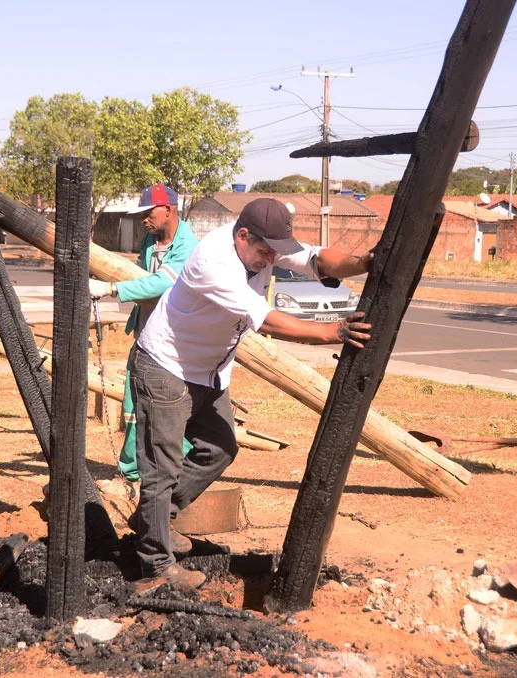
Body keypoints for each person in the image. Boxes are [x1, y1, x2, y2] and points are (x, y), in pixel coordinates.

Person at [129, 197, 373, 591]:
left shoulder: (264, 246)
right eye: (264, 251)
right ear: (243, 236)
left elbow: (317, 260)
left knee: (220, 448)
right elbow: (265, 319)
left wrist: (362, 263)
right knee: (163, 467)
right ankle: (156, 565)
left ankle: (152, 520)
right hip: (166, 368)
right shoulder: (213, 262)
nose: (271, 259)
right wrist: (331, 331)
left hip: (208, 372)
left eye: (275, 252)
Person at [89, 183, 197, 487]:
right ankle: (133, 467)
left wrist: (113, 289)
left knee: (166, 407)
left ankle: (174, 467)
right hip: (146, 336)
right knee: (134, 403)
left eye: (148, 213)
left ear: (169, 210)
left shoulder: (188, 245)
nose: (143, 220)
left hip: (175, 343)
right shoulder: (151, 241)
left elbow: (163, 283)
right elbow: (139, 276)